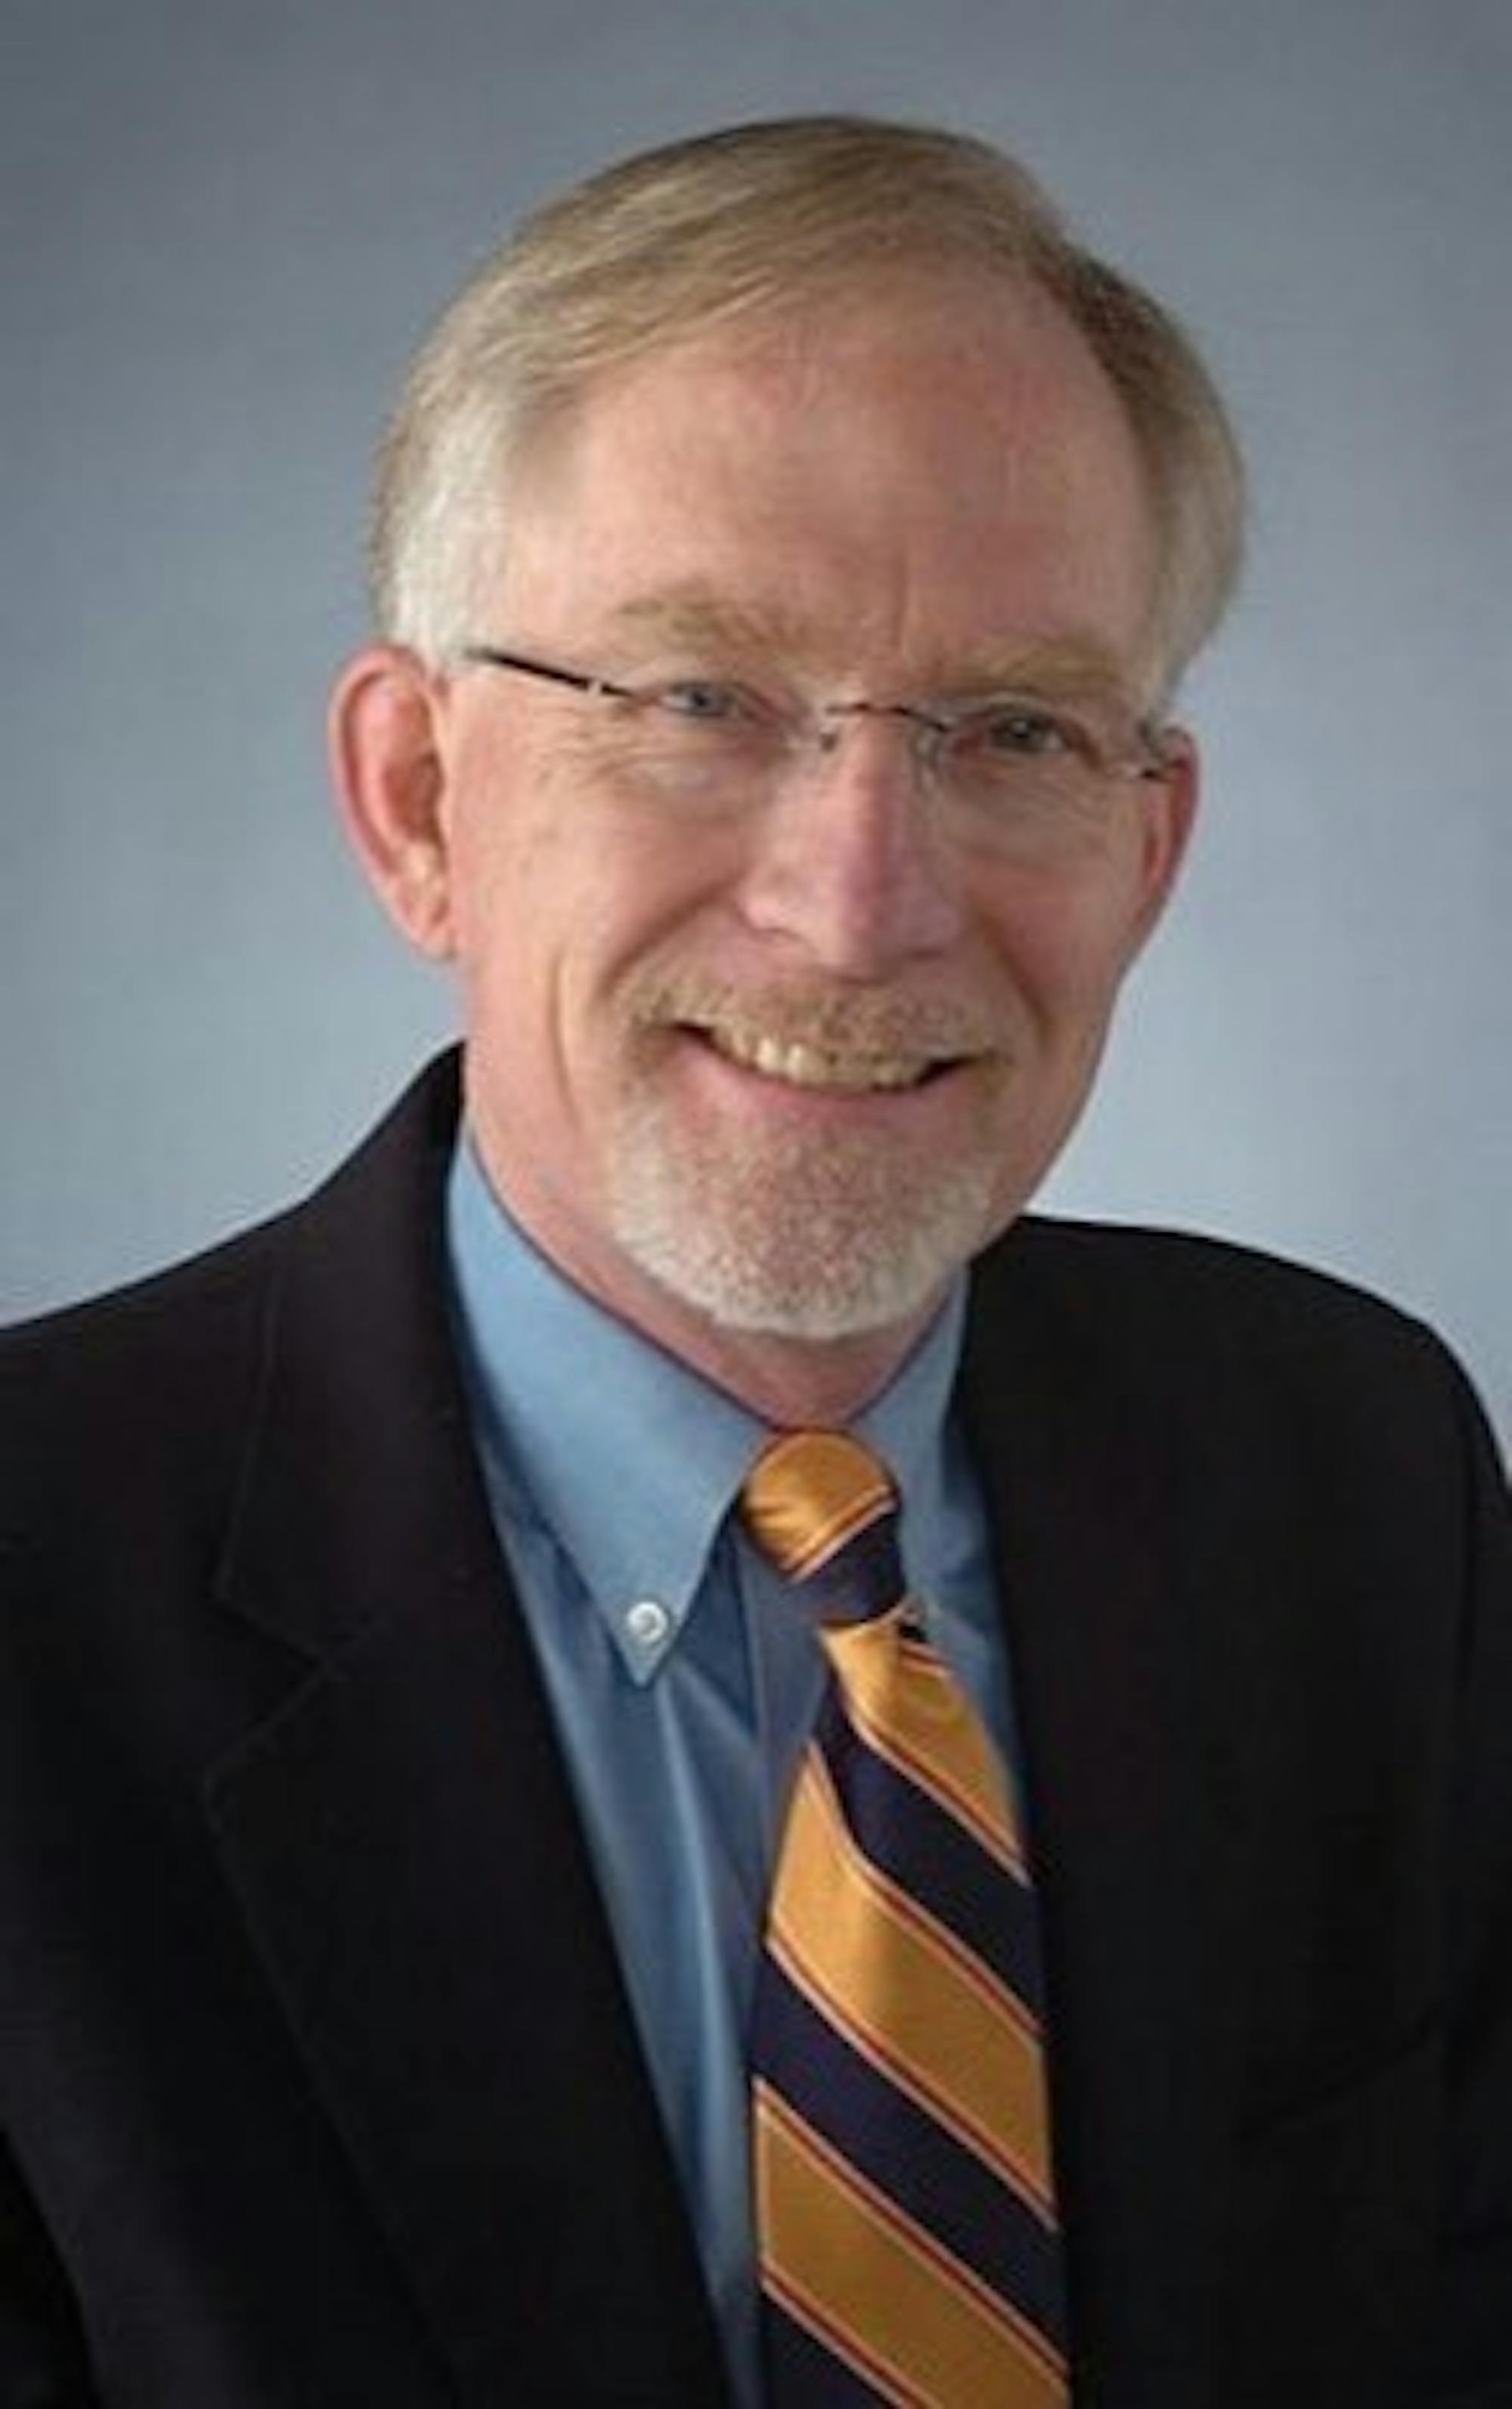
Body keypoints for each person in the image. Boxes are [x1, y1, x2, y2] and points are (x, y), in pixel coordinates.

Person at [2, 115, 1507, 2409]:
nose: (860, 901)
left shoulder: (1356, 1471)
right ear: (421, 801)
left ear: (1147, 847)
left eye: (1015, 727)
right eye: (701, 700)